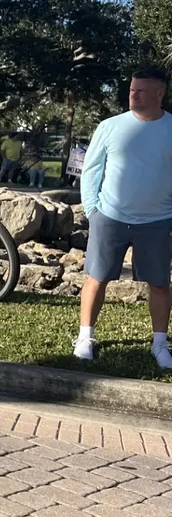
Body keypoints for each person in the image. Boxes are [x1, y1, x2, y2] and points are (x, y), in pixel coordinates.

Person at [76, 65, 172, 368]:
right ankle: (85, 337)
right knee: (96, 278)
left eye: (141, 91)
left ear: (160, 93)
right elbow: (91, 171)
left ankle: (160, 345)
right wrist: (92, 210)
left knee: (160, 284)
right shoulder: (110, 126)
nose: (134, 95)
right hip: (110, 217)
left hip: (158, 221)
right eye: (132, 90)